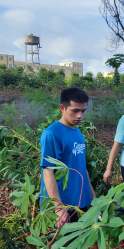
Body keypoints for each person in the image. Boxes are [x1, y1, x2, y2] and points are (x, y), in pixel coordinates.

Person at [40, 87, 96, 227]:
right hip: (63, 205)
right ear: (62, 108)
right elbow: (48, 171)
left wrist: (93, 198)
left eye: (83, 111)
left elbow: (81, 167)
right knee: (62, 247)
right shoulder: (52, 134)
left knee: (80, 245)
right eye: (75, 111)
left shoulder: (77, 131)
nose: (79, 116)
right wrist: (58, 207)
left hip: (79, 202)